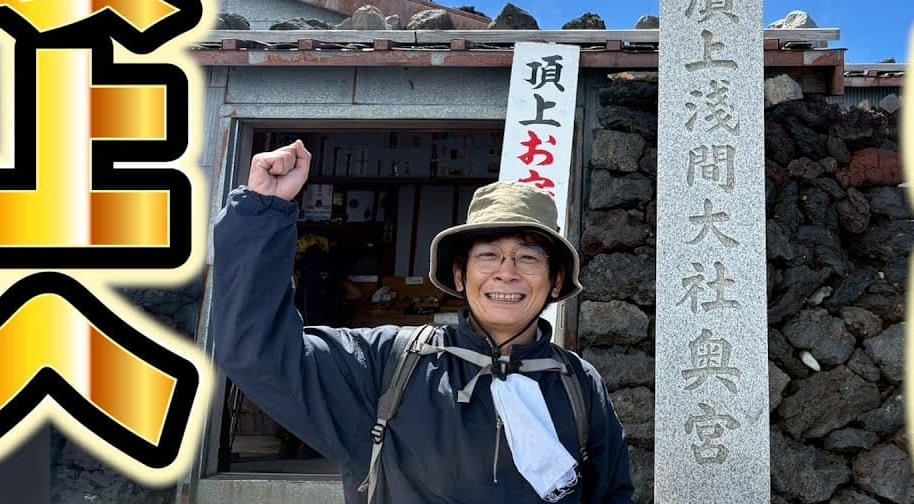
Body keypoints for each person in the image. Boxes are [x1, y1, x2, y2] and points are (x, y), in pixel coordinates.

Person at [211, 140, 634, 503]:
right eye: (488, 255)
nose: (507, 272)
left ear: (556, 279)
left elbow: (611, 493)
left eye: (528, 257)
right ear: (458, 274)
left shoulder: (578, 384)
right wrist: (263, 211)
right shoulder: (385, 364)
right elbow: (259, 351)